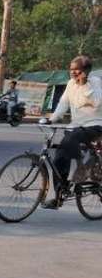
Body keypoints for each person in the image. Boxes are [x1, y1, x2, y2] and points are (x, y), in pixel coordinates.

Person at [40, 55, 102, 208]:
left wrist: (84, 84)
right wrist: (52, 119)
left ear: (86, 71)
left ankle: (82, 167)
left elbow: (97, 103)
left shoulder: (95, 82)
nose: (73, 73)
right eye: (71, 70)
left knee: (70, 140)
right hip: (76, 125)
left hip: (94, 125)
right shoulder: (70, 84)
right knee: (59, 157)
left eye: (77, 70)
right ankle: (59, 195)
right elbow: (63, 104)